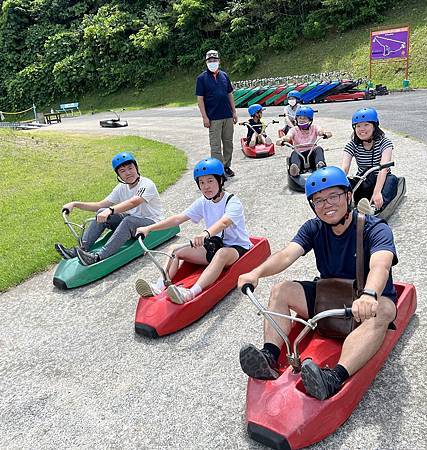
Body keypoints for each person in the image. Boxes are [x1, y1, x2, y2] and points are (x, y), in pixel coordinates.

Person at [237, 166, 398, 401]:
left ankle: (334, 378)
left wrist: (369, 295)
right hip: (331, 297)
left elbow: (380, 265)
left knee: (384, 309)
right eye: (319, 200)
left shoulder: (375, 228)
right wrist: (256, 272)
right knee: (281, 290)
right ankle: (269, 356)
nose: (327, 204)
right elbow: (286, 255)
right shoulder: (313, 228)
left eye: (333, 196)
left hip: (366, 303)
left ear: (348, 196)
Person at [134, 158, 252, 304]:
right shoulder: (203, 201)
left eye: (210, 181)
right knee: (174, 249)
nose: (206, 186)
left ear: (220, 180)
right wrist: (149, 228)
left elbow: (224, 222)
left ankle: (191, 293)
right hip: (214, 245)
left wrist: (205, 233)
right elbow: (178, 219)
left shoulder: (232, 201)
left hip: (235, 248)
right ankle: (159, 286)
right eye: (201, 183)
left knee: (221, 254)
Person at [55, 152, 163, 266]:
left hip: (151, 223)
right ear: (118, 175)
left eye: (130, 168)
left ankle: (98, 257)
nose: (128, 173)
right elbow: (100, 205)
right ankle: (80, 250)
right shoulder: (121, 188)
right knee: (102, 211)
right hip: (133, 223)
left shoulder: (146, 184)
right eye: (122, 171)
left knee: (128, 221)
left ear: (136, 168)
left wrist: (110, 210)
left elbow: (133, 202)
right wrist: (75, 204)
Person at [341, 107, 399, 214]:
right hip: (364, 182)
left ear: (374, 126)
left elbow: (384, 169)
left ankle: (373, 208)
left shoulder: (385, 143)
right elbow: (344, 168)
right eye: (358, 126)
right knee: (347, 182)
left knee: (392, 179)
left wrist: (377, 192)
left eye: (366, 125)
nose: (361, 129)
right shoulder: (352, 144)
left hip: (382, 180)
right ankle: (343, 207)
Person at [196, 50, 239, 178]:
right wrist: (204, 117)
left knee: (228, 143)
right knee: (215, 147)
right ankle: (218, 171)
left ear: (219, 61)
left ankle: (226, 166)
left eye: (214, 60)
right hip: (213, 118)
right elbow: (200, 99)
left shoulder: (224, 76)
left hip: (227, 115)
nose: (212, 62)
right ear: (206, 62)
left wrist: (234, 112)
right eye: (210, 61)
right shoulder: (201, 78)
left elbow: (229, 94)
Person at [277, 105, 332, 177]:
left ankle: (320, 166)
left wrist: (325, 133)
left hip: (311, 152)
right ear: (296, 119)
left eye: (305, 118)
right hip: (299, 153)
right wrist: (282, 139)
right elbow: (288, 136)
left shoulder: (314, 128)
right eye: (300, 118)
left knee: (318, 149)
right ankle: (295, 168)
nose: (302, 120)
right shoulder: (294, 130)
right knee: (294, 153)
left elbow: (320, 131)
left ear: (310, 120)